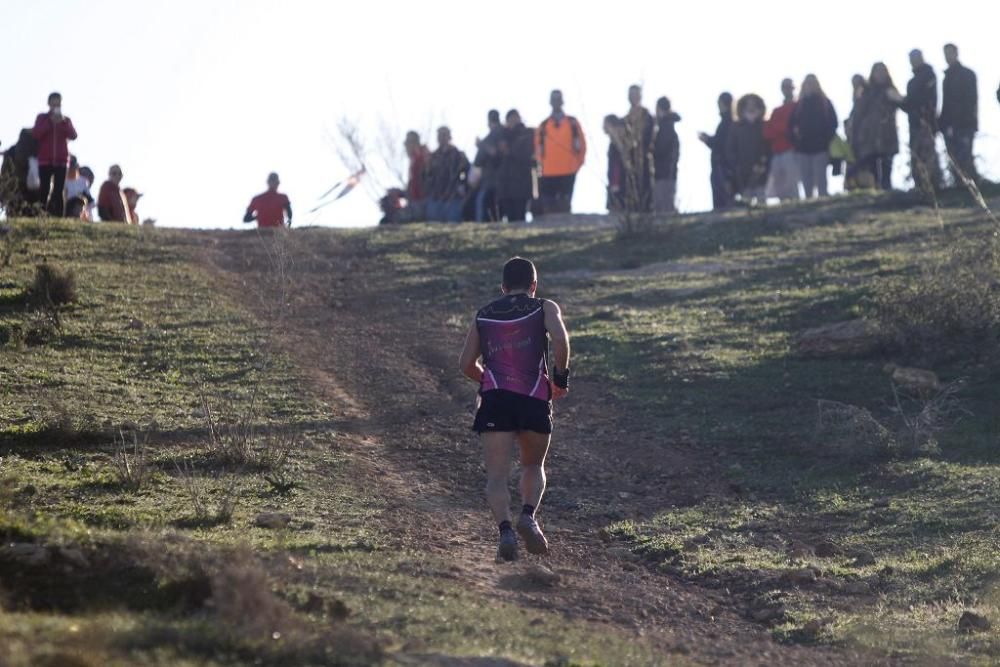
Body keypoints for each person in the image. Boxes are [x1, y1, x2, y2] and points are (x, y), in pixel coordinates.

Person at [458, 257, 571, 562]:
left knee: (496, 476)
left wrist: (492, 379)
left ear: (503, 286)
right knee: (533, 465)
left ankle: (505, 530)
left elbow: (465, 364)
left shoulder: (484, 315)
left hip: (496, 400)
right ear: (534, 285)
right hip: (534, 398)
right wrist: (559, 378)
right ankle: (528, 515)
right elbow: (560, 340)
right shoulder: (544, 306)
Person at [535, 90, 586, 215]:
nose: (556, 102)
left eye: (558, 99)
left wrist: (577, 165)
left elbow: (582, 146)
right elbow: (537, 151)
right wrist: (541, 168)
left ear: (562, 101)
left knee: (565, 205)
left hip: (568, 171)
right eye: (554, 99)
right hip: (548, 173)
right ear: (550, 102)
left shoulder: (573, 123)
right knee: (549, 206)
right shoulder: (543, 125)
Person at [896, 49, 941, 192]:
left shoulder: (929, 75)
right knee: (917, 156)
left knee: (928, 155)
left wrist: (904, 101)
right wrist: (900, 101)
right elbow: (910, 105)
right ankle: (921, 186)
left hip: (926, 122)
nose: (914, 61)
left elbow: (922, 100)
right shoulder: (913, 81)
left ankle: (933, 186)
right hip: (914, 124)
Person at [851, 63, 900, 191]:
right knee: (873, 166)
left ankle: (887, 190)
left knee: (886, 166)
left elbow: (902, 104)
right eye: (877, 72)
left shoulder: (890, 90)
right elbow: (858, 112)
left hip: (887, 134)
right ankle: (878, 190)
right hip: (869, 136)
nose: (880, 75)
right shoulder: (867, 92)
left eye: (882, 71)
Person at [789, 74, 838, 199]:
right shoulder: (799, 105)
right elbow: (790, 127)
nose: (810, 86)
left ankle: (823, 200)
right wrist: (796, 142)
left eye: (812, 83)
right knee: (806, 179)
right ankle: (809, 201)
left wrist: (826, 140)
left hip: (821, 148)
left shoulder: (825, 103)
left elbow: (833, 123)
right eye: (807, 84)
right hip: (803, 149)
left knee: (821, 178)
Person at [31, 92, 78, 217]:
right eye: (53, 103)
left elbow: (73, 135)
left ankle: (58, 217)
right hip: (45, 160)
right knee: (44, 189)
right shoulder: (42, 118)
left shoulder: (66, 120)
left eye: (58, 104)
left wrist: (63, 122)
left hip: (61, 161)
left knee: (58, 190)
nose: (55, 106)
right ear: (49, 104)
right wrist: (49, 123)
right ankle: (41, 215)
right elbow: (36, 134)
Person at [938, 43, 979, 184]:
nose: (948, 56)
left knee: (964, 157)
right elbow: (946, 103)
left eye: (950, 53)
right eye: (945, 53)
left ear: (956, 53)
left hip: (964, 124)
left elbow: (971, 101)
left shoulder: (967, 74)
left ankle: (970, 186)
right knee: (954, 158)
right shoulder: (947, 77)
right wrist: (942, 123)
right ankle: (960, 185)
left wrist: (966, 122)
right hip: (950, 125)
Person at [726, 94, 770, 204]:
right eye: (748, 104)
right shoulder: (736, 127)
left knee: (762, 200)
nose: (751, 107)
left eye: (754, 104)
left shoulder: (764, 125)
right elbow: (730, 149)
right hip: (743, 173)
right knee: (746, 201)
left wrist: (764, 163)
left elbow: (769, 147)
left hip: (762, 170)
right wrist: (736, 166)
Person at [763, 78, 800, 201]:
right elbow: (768, 132)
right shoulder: (776, 111)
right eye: (784, 87)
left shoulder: (798, 107)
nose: (787, 90)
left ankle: (795, 203)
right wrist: (782, 128)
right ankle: (784, 203)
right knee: (778, 183)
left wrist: (780, 128)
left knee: (792, 181)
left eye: (789, 87)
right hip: (777, 151)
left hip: (791, 150)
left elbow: (787, 128)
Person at [496, 110, 535, 223]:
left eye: (515, 117)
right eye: (510, 118)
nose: (513, 121)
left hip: (521, 182)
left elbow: (526, 153)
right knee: (509, 216)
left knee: (520, 214)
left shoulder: (527, 133)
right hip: (505, 184)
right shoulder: (502, 135)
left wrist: (508, 151)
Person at [698, 92, 736, 210]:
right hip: (723, 166)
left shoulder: (727, 122)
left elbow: (720, 144)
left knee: (722, 198)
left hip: (722, 166)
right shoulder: (729, 121)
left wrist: (708, 140)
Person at [426, 127, 469, 223]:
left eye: (444, 135)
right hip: (436, 197)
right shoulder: (433, 156)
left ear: (449, 137)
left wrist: (462, 187)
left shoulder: (458, 154)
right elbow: (428, 176)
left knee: (452, 225)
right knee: (434, 226)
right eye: (440, 135)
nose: (441, 138)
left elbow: (467, 172)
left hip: (453, 197)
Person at [623, 84, 654, 212]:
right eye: (630, 95)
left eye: (635, 95)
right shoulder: (626, 118)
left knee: (645, 187)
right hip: (630, 160)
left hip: (644, 158)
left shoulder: (646, 116)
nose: (632, 98)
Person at [473, 110, 504, 222]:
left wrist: (481, 145)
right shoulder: (502, 132)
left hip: (493, 183)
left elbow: (495, 154)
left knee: (486, 213)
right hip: (494, 182)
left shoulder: (495, 135)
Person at [652, 97, 681, 214]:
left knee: (664, 207)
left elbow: (661, 151)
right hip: (668, 172)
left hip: (664, 173)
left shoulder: (665, 128)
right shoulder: (668, 127)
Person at [403, 131, 430, 221]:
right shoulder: (413, 158)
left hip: (423, 201)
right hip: (414, 200)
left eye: (407, 143)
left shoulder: (423, 155)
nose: (405, 146)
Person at [604, 115, 627, 211]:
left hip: (619, 184)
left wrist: (615, 184)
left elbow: (617, 166)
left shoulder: (619, 144)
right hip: (615, 183)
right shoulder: (614, 144)